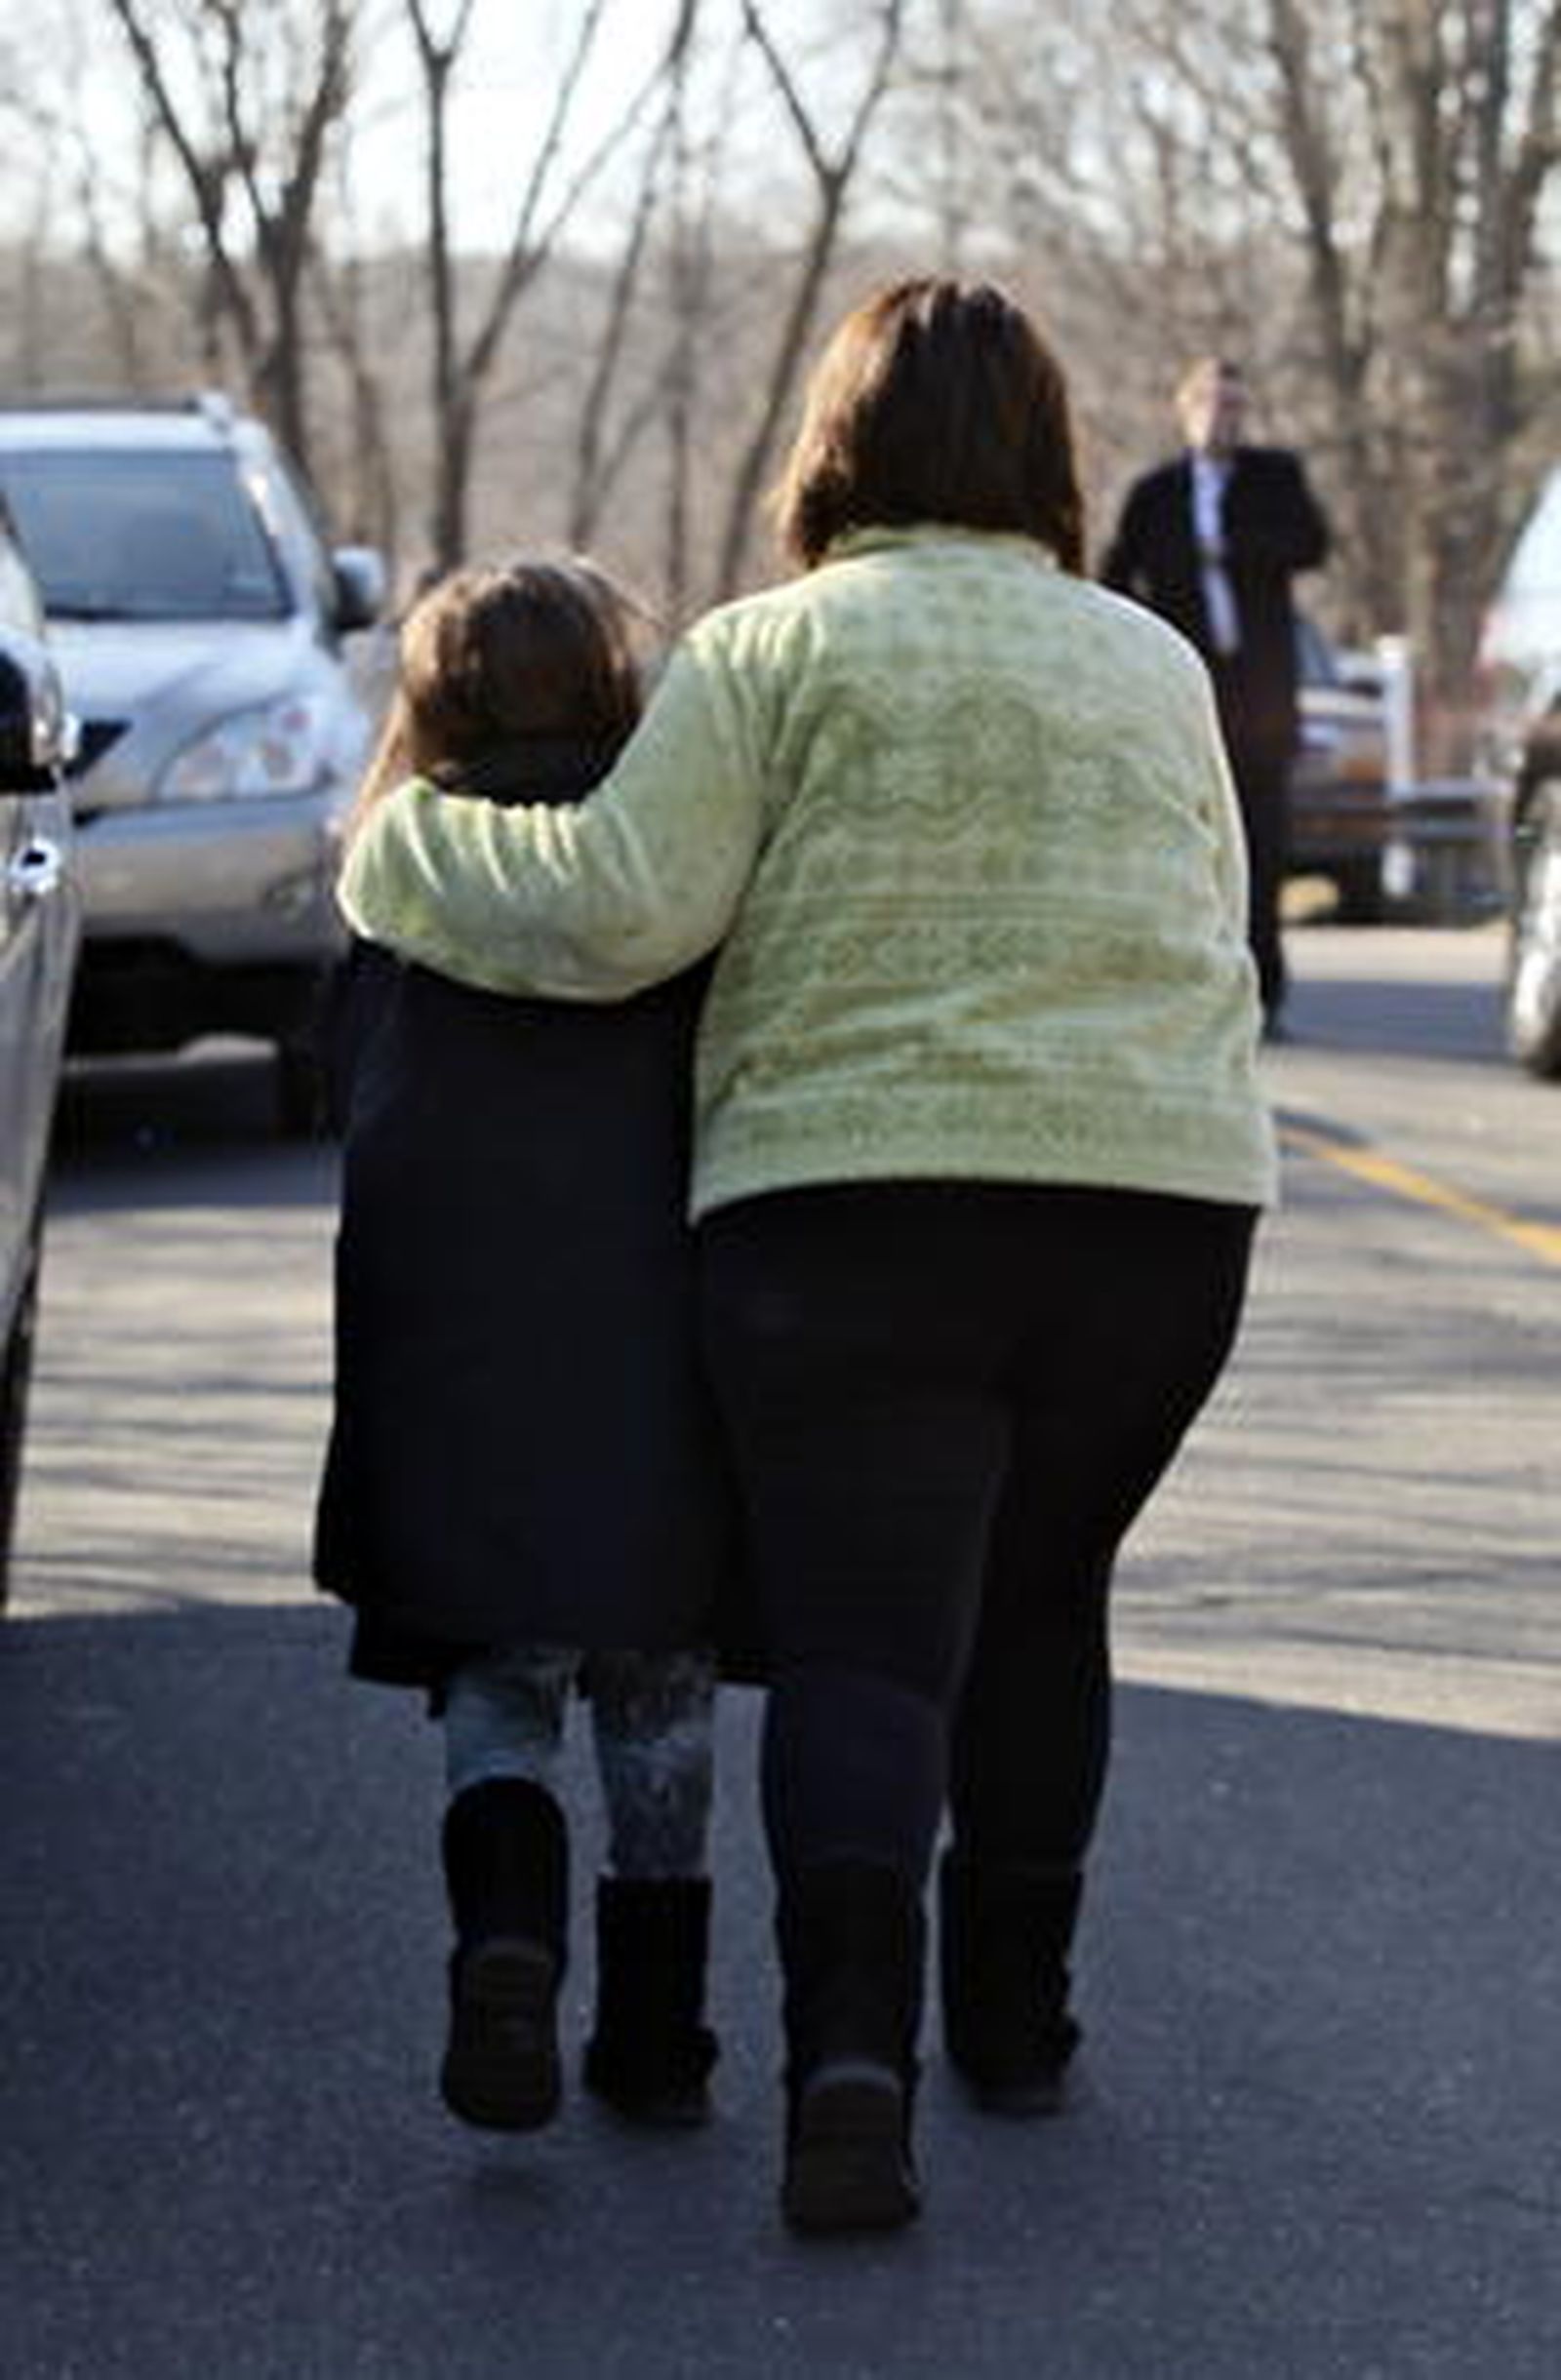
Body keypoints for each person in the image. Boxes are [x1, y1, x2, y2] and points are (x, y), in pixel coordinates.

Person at [337, 280, 1277, 2237]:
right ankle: (1014, 2029)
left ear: (830, 447)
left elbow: (613, 913)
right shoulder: (1148, 660)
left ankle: (848, 2076)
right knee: (1042, 1601)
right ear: (1042, 454)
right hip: (1157, 1212)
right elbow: (1214, 914)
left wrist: (405, 845)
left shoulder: (766, 652)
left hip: (848, 1215)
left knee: (867, 1645)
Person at [313, 559, 731, 2138]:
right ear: (615, 689)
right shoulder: (676, 887)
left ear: (433, 704)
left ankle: (506, 1940)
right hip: (656, 1357)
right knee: (658, 1692)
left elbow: (348, 1093)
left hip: (464, 1357)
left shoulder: (398, 885)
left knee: (501, 1685)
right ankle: (655, 2037)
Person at [1100, 355, 1330, 1034]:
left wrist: (1230, 547)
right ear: (1186, 409)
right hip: (1185, 693)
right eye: (1212, 405)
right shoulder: (1157, 493)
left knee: (1262, 845)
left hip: (1260, 693)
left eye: (1235, 407)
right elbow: (1115, 575)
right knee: (1184, 843)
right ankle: (1187, 991)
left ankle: (1265, 995)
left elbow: (1311, 544)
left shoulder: (1273, 479)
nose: (1223, 419)